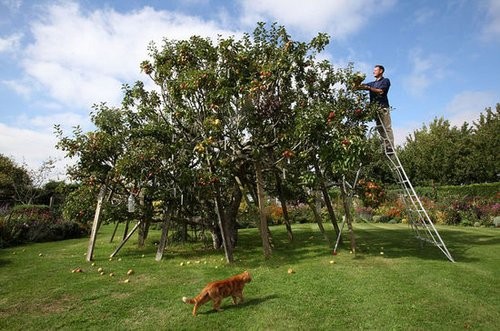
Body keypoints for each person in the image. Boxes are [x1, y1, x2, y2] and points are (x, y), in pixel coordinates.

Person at [360, 65, 394, 151]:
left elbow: (381, 91)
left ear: (381, 71)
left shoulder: (385, 81)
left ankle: (390, 147)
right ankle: (385, 146)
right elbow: (363, 86)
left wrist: (369, 88)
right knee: (380, 128)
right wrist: (356, 84)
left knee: (387, 127)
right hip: (375, 109)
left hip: (383, 107)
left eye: (375, 70)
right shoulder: (372, 83)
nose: (373, 72)